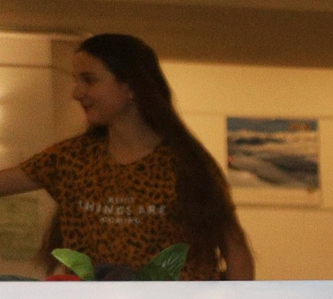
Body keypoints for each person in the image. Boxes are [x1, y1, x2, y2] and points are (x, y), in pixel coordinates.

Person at [0, 33, 253, 279]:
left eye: (89, 80)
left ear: (130, 86)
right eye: (76, 80)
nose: (76, 92)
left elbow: (236, 252)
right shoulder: (70, 158)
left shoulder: (185, 164)